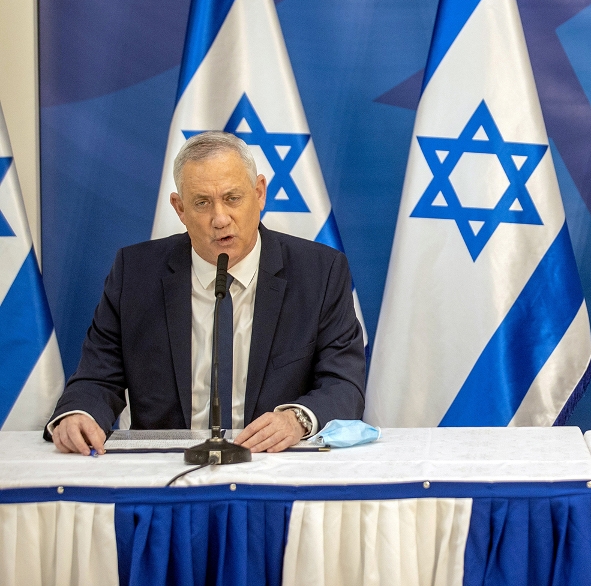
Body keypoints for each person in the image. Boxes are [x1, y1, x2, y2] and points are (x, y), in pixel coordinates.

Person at [46, 131, 365, 454]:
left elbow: (344, 385)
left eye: (232, 198)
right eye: (202, 203)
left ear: (259, 193)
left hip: (274, 465)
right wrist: (79, 415)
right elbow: (96, 378)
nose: (220, 219)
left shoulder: (319, 273)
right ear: (179, 208)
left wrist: (297, 420)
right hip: (164, 472)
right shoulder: (136, 273)